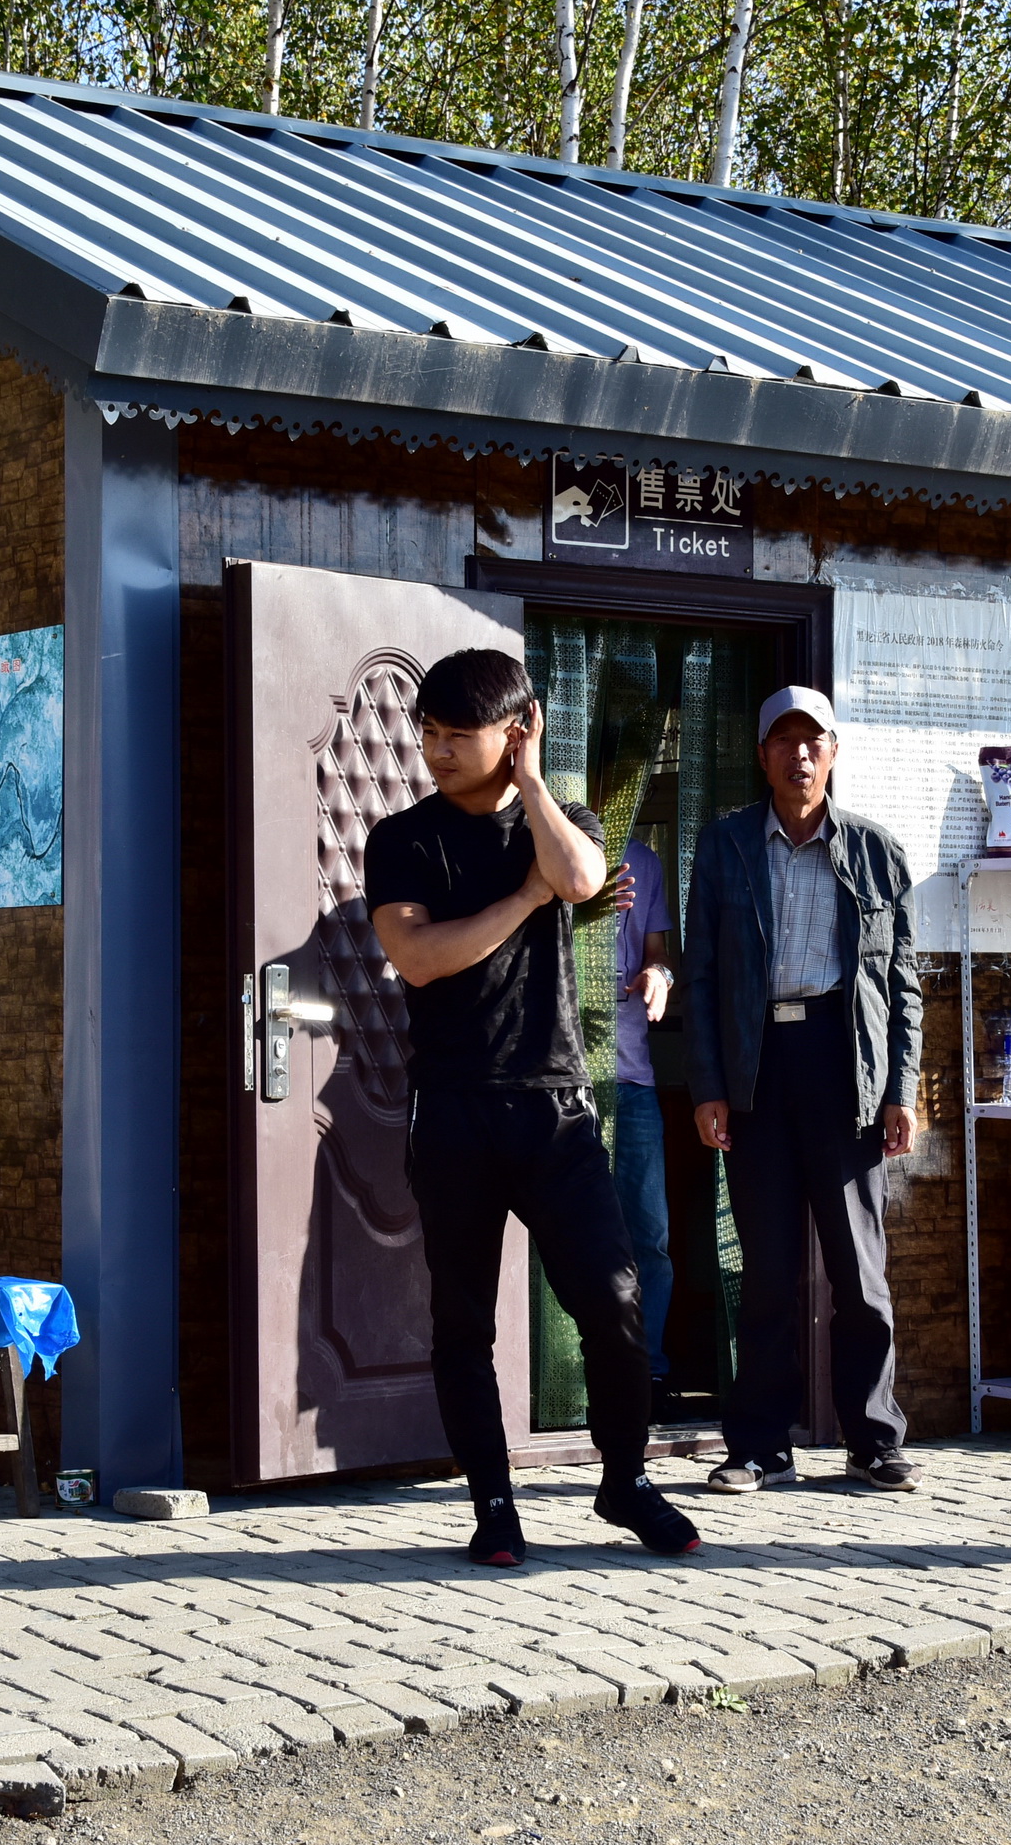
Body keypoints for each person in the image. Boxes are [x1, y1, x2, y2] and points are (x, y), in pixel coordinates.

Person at [364, 649, 700, 1567]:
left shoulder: (563, 821)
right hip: (453, 1110)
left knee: (614, 1297)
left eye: (456, 735)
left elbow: (583, 881)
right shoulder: (402, 839)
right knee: (464, 1323)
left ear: (516, 733)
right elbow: (422, 958)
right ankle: (493, 1504)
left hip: (554, 1108)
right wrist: (522, 897)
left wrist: (534, 783)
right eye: (428, 733)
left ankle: (625, 1482)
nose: (436, 750)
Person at [683, 684, 924, 1493]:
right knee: (766, 1271)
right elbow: (702, 975)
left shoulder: (876, 850)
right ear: (762, 756)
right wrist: (708, 1084)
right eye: (784, 741)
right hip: (756, 1067)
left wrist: (901, 1087)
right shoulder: (724, 846)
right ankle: (760, 1446)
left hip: (843, 1063)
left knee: (859, 1272)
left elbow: (903, 985)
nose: (800, 755)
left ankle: (874, 1440)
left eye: (813, 741)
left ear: (833, 753)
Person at [607, 840, 679, 1409]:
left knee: (649, 1236)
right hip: (557, 1079)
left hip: (633, 1078)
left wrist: (658, 974)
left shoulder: (644, 859)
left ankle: (647, 1370)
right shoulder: (537, 841)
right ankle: (565, 1381)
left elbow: (658, 953)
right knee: (568, 1235)